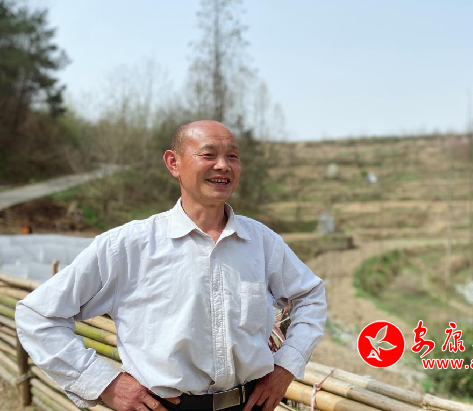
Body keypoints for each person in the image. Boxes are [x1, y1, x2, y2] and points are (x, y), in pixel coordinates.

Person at [15, 120, 327, 411]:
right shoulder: (128, 246)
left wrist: (287, 366)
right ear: (173, 163)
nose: (223, 165)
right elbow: (37, 315)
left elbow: (310, 297)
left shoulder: (261, 242)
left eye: (232, 156)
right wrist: (105, 383)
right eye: (208, 154)